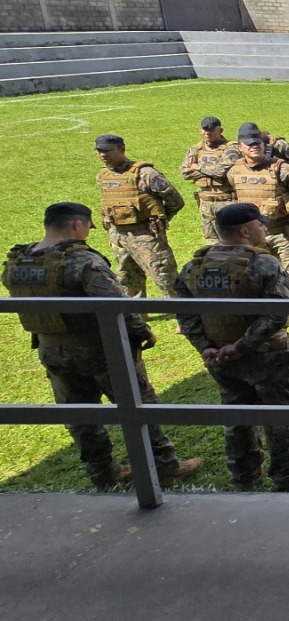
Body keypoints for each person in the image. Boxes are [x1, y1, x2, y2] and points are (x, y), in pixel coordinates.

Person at [2, 202, 203, 490]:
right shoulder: (82, 261)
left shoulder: (17, 262)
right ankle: (164, 467)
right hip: (101, 349)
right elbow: (115, 303)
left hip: (51, 349)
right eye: (86, 227)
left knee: (80, 415)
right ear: (76, 225)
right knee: (140, 406)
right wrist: (142, 331)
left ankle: (103, 473)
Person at [174, 203, 289, 492]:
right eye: (260, 224)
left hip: (219, 357)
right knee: (279, 416)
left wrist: (205, 347)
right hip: (266, 356)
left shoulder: (194, 266)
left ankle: (244, 476)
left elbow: (185, 313)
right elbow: (277, 313)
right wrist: (242, 346)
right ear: (245, 231)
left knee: (236, 415)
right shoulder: (263, 263)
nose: (264, 228)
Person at [227, 128, 289, 336]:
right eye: (249, 144)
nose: (254, 146)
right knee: (261, 278)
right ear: (240, 147)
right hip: (253, 237)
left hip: (283, 232)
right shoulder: (234, 172)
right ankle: (273, 315)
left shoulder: (283, 170)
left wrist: (286, 209)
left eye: (257, 143)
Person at [94, 134, 184, 298]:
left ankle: (184, 311)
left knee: (164, 277)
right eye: (99, 151)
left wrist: (159, 219)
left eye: (107, 151)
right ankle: (135, 312)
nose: (102, 155)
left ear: (121, 149)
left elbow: (176, 201)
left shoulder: (146, 174)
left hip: (146, 236)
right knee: (126, 279)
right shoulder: (103, 176)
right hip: (118, 236)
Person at [180, 116, 239, 244]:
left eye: (211, 130)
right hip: (205, 203)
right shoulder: (196, 149)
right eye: (204, 130)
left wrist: (198, 167)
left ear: (220, 130)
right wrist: (212, 171)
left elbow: (221, 171)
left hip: (227, 201)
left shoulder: (231, 148)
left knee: (232, 240)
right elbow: (185, 172)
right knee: (211, 241)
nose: (207, 133)